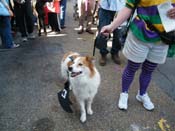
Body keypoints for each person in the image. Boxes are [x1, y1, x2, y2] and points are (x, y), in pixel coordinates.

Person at [101, 0, 175, 110]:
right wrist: (112, 26)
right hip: (141, 34)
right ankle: (124, 93)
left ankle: (142, 94)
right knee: (132, 67)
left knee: (149, 70)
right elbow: (128, 7)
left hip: (165, 38)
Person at [96, 0, 125, 66]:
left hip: (120, 7)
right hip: (104, 7)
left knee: (118, 33)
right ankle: (103, 53)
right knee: (103, 31)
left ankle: (115, 52)